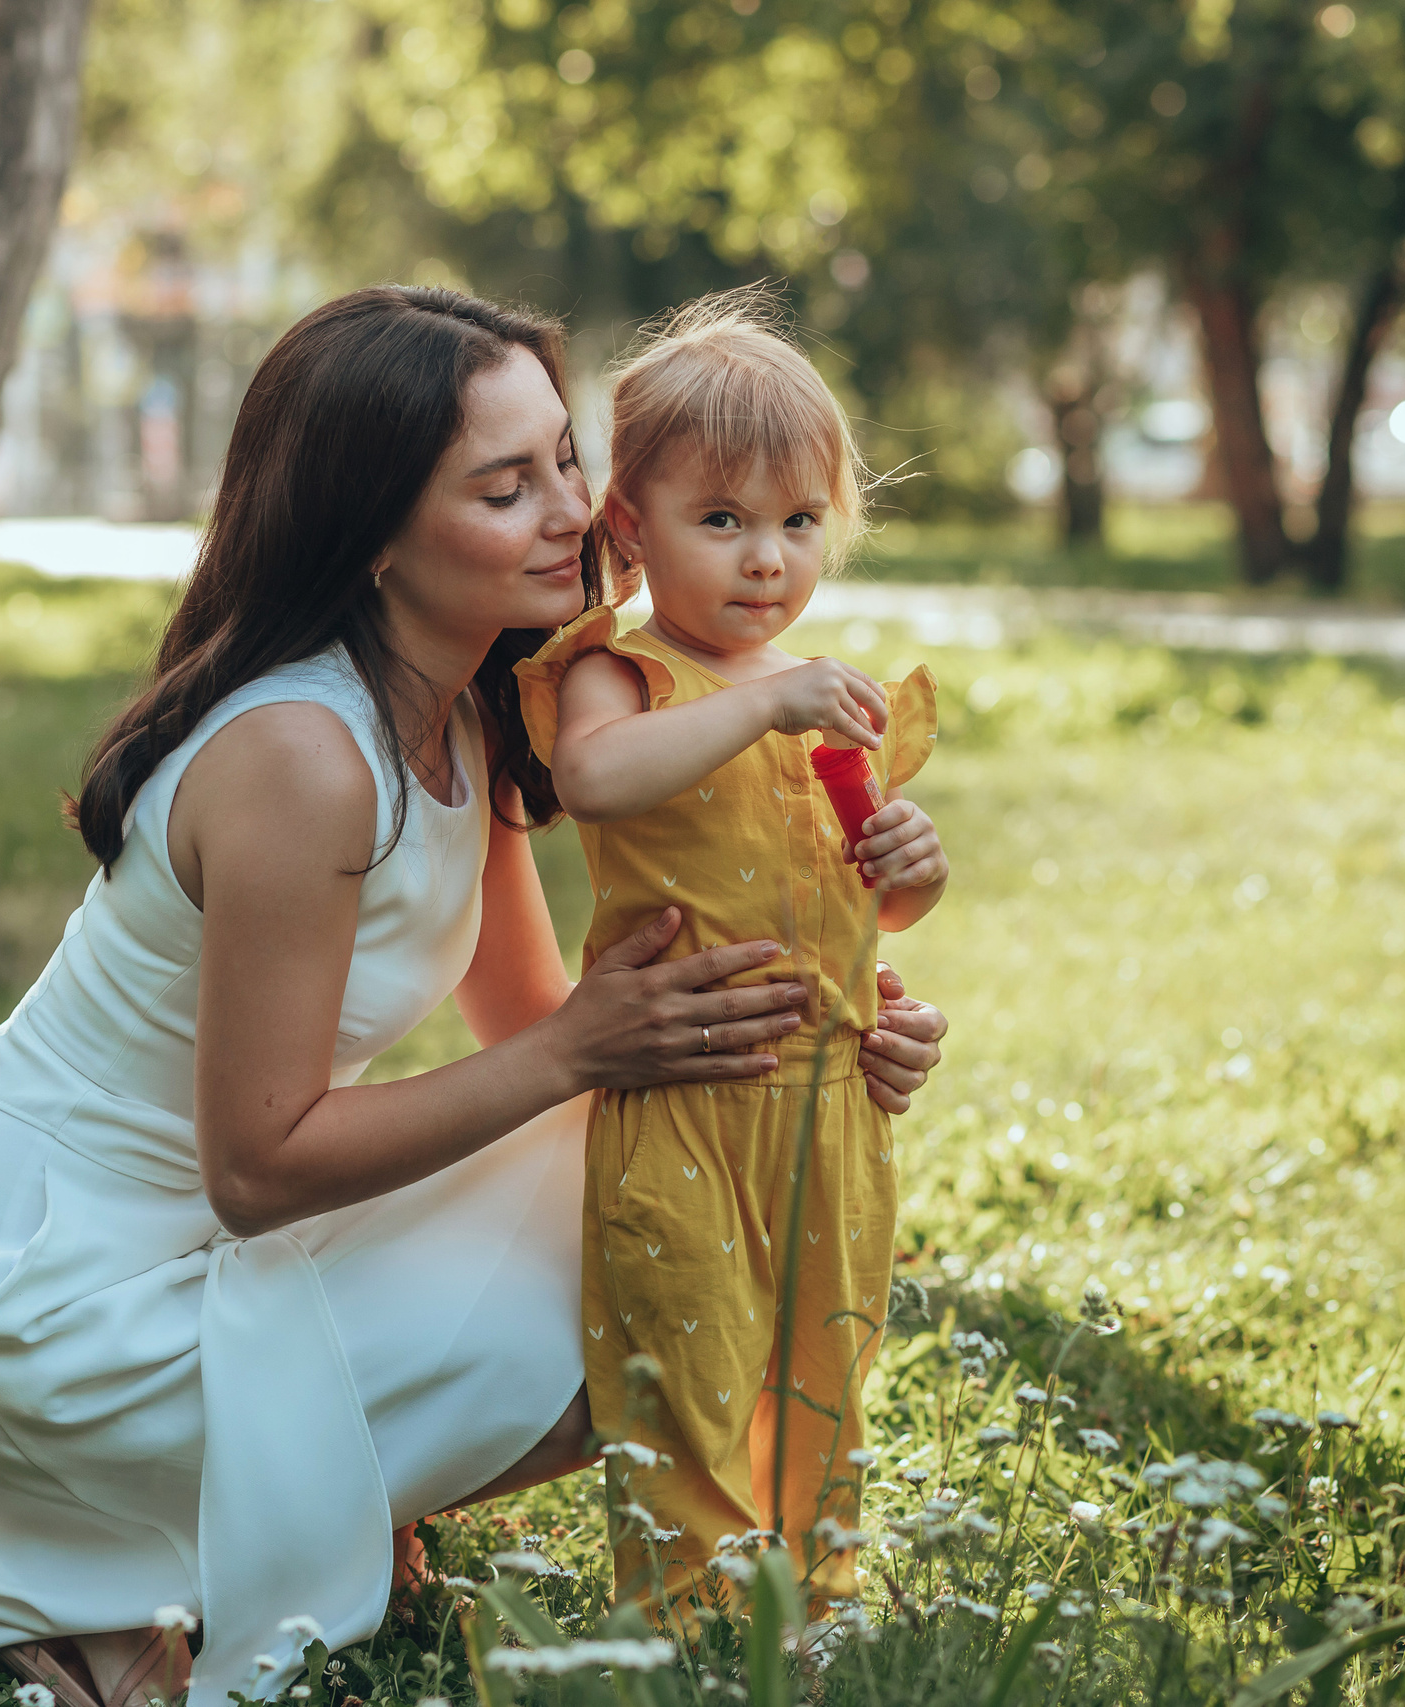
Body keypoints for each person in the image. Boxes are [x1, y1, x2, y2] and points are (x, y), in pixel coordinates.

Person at [0, 286, 949, 1707]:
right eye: (506, 489)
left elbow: (540, 1027)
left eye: (565, 460)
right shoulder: (305, 757)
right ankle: (116, 1551)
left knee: (668, 1213)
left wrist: (827, 1034)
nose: (575, 511)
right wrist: (582, 1050)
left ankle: (308, 1495)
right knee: (633, 1297)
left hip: (205, 1244)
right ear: (374, 537)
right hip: (54, 1304)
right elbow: (263, 1167)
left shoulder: (480, 703)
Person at [514, 288, 947, 1620]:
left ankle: (811, 1612)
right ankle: (694, 1627)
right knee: (689, 1375)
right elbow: (596, 779)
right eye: (724, 521)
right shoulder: (623, 676)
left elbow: (846, 895)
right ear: (632, 530)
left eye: (798, 522)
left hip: (826, 1101)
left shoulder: (819, 702)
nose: (768, 561)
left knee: (824, 1367)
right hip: (683, 1106)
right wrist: (765, 699)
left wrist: (910, 877)